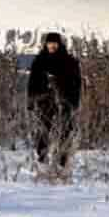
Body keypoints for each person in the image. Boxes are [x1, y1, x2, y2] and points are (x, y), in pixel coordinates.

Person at [27, 32, 82, 168]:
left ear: (59, 44)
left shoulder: (69, 61)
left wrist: (73, 103)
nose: (52, 46)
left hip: (65, 101)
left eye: (54, 43)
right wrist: (31, 101)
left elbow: (76, 83)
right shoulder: (39, 60)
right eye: (49, 43)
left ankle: (62, 160)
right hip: (44, 101)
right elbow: (32, 83)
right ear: (46, 44)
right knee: (43, 130)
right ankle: (42, 158)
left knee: (66, 130)